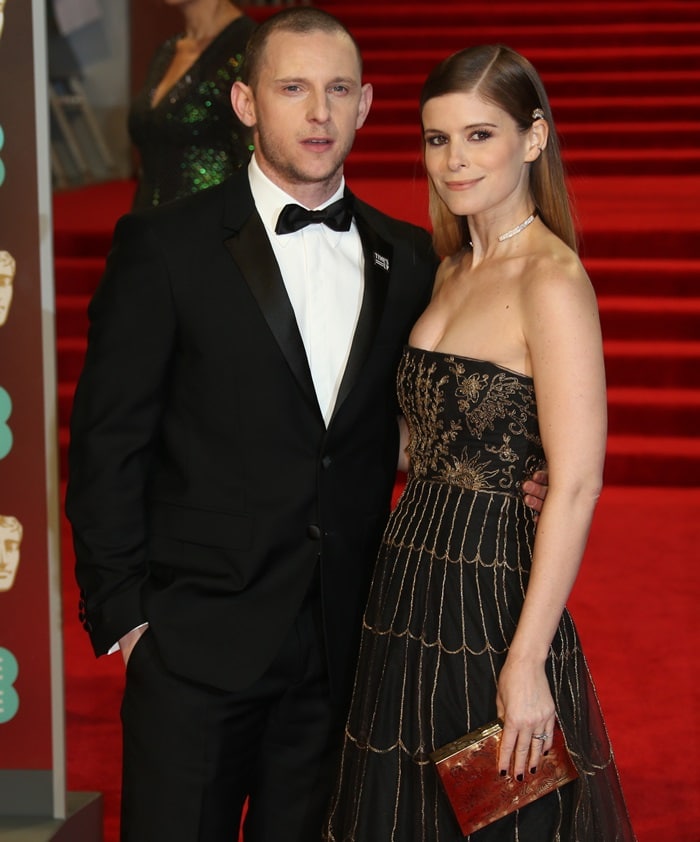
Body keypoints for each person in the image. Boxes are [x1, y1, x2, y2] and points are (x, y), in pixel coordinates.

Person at [66, 11, 547, 839]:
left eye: (335, 92)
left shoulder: (412, 260)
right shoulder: (165, 247)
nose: (317, 114)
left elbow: (411, 421)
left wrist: (504, 467)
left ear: (365, 105)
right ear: (247, 102)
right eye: (293, 89)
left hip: (348, 652)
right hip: (193, 651)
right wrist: (130, 622)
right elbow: (107, 440)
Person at [324, 45, 636, 841]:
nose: (454, 160)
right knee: (411, 813)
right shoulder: (450, 269)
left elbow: (574, 483)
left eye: (479, 136)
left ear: (532, 140)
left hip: (493, 591)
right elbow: (419, 441)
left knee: (493, 817)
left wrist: (527, 658)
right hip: (411, 574)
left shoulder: (552, 281)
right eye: (437, 140)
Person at [128, 0, 256, 209]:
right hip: (149, 225)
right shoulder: (168, 50)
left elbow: (256, 152)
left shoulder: (249, 47)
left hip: (212, 226)